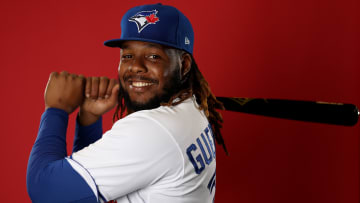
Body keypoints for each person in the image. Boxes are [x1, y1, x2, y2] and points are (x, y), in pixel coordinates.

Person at [26, 3, 227, 203]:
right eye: (128, 56)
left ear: (183, 65)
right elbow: (80, 193)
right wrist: (89, 119)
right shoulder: (192, 106)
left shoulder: (152, 130)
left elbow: (44, 191)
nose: (136, 67)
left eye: (153, 56)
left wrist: (55, 109)